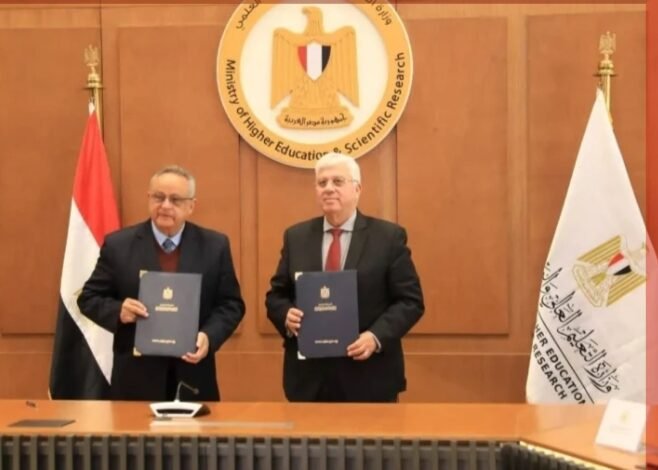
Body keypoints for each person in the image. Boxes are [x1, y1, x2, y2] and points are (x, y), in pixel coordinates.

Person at [265, 152, 424, 402]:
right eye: (322, 183)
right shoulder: (296, 237)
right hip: (308, 381)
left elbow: (410, 301)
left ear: (357, 189)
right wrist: (285, 315)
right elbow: (276, 296)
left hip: (369, 377)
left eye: (338, 181)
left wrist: (375, 337)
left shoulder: (388, 238)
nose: (328, 188)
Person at [78, 165, 245, 402]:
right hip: (135, 381)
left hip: (193, 379)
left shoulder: (214, 245)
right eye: (158, 197)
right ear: (149, 198)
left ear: (191, 206)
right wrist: (118, 311)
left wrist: (209, 336)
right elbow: (88, 298)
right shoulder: (119, 245)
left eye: (175, 199)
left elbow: (231, 305)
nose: (165, 205)